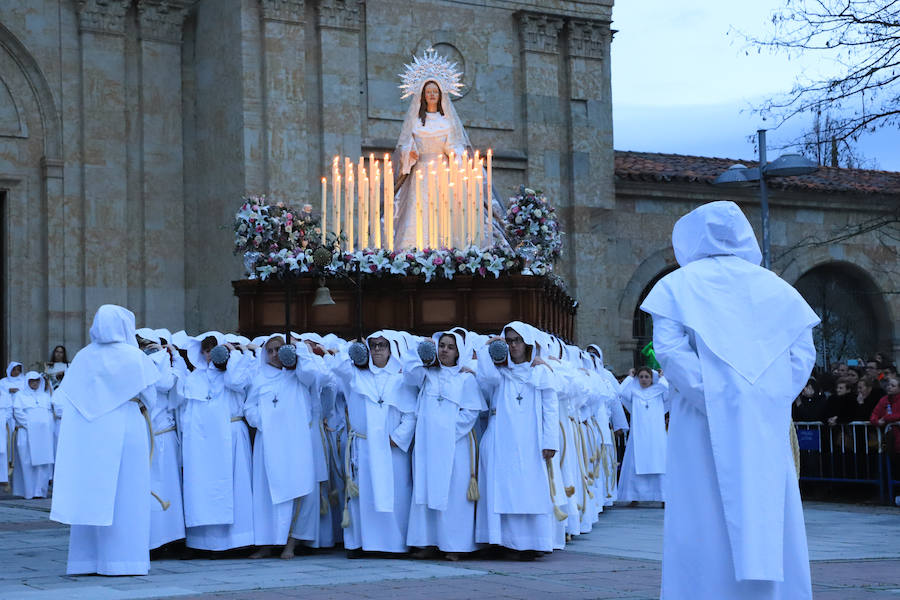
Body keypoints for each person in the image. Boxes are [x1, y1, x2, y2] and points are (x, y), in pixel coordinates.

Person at [640, 201, 820, 599]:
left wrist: (717, 395)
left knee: (702, 512)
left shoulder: (677, 286)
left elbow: (669, 351)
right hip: (764, 420)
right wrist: (768, 397)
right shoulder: (777, 288)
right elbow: (802, 353)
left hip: (699, 419)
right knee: (768, 506)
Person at [50, 304, 162, 575]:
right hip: (127, 425)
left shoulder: (83, 357)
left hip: (90, 434)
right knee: (128, 492)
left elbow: (66, 398)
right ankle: (124, 561)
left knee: (92, 490)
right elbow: (151, 397)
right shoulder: (134, 357)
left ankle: (87, 560)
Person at [392, 49, 506, 249]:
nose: (432, 95)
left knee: (444, 211)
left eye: (435, 92)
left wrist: (456, 156)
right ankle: (414, 250)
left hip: (443, 174)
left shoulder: (447, 122)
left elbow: (454, 145)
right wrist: (410, 153)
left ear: (440, 95)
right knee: (419, 212)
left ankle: (446, 248)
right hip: (420, 174)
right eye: (428, 92)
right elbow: (406, 145)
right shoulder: (415, 122)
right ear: (422, 95)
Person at [475, 321, 559, 559]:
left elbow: (550, 408)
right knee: (501, 489)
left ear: (528, 343)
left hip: (531, 441)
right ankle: (501, 542)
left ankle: (530, 542)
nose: (513, 345)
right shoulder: (500, 372)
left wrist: (550, 441)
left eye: (518, 340)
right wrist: (489, 346)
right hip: (501, 439)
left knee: (529, 489)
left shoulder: (541, 372)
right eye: (509, 341)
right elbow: (485, 375)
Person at [332, 331, 417, 557]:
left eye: (382, 345)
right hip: (363, 446)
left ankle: (393, 544)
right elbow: (337, 365)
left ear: (391, 349)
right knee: (363, 496)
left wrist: (397, 438)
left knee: (396, 494)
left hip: (391, 449)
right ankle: (360, 543)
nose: (377, 349)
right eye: (373, 345)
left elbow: (411, 414)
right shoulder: (356, 375)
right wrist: (352, 345)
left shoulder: (401, 378)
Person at [405, 331, 484, 559]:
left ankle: (455, 546)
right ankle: (426, 542)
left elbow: (471, 412)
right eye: (441, 346)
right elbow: (409, 375)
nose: (445, 350)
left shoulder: (466, 378)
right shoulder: (427, 374)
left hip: (455, 445)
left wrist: (447, 431)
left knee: (453, 494)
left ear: (459, 351)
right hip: (427, 444)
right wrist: (422, 350)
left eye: (450, 347)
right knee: (425, 490)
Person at [180, 334, 255, 554]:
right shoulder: (195, 378)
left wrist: (233, 356)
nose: (209, 355)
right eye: (206, 350)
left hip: (231, 435)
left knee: (235, 487)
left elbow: (236, 382)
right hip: (203, 442)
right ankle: (205, 543)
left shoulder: (234, 372)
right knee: (204, 488)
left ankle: (237, 541)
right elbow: (187, 412)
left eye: (214, 350)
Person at [245, 335, 318, 559]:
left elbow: (313, 373)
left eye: (278, 349)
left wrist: (298, 349)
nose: (274, 354)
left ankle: (291, 543)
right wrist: (263, 422)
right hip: (267, 443)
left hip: (294, 442)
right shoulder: (259, 378)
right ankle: (266, 543)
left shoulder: (298, 375)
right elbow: (249, 407)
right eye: (270, 351)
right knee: (266, 493)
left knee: (296, 488)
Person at [616, 367, 669, 506]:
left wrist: (662, 377)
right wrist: (629, 377)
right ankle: (634, 496)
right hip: (638, 435)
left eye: (647, 377)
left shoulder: (660, 392)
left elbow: (670, 392)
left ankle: (663, 496)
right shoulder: (634, 392)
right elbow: (620, 392)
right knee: (635, 464)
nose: (644, 380)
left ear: (652, 378)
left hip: (656, 436)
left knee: (659, 462)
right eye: (641, 377)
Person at [11, 372, 54, 499]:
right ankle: (29, 491)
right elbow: (18, 412)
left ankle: (39, 491)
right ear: (27, 381)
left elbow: (50, 414)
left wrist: (45, 426)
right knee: (27, 462)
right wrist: (32, 425)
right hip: (27, 433)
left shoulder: (45, 396)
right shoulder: (20, 396)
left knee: (43, 463)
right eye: (32, 380)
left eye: (37, 380)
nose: (35, 383)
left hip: (44, 435)